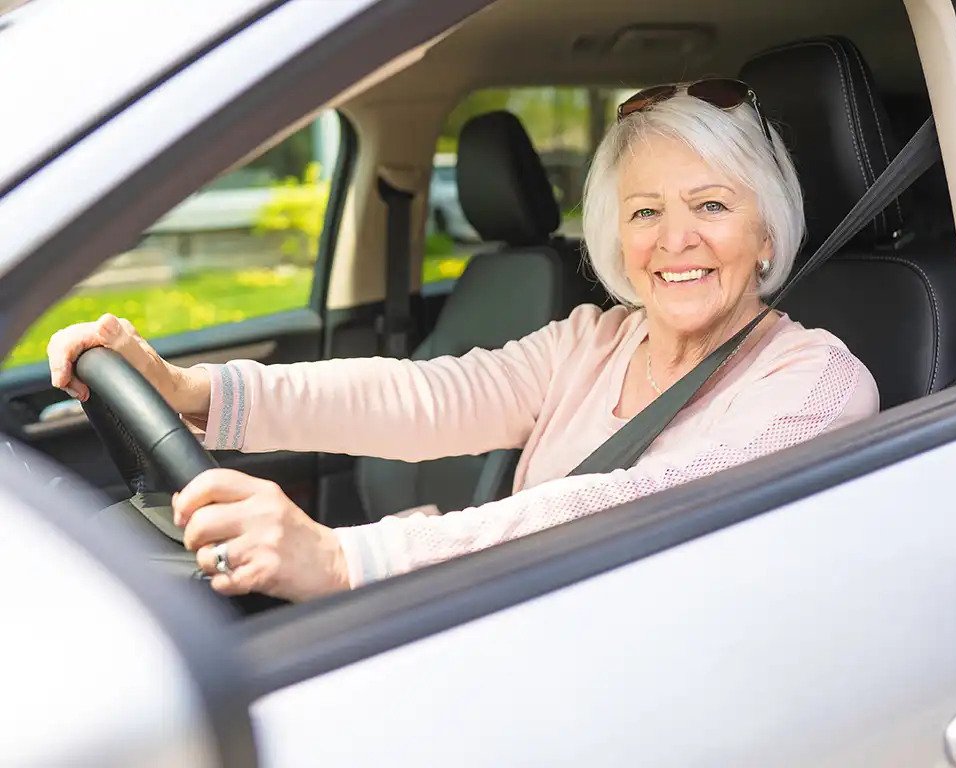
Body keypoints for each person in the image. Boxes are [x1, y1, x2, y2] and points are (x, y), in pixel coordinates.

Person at [47, 80, 879, 602]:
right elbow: (425, 396)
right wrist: (194, 392)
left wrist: (344, 559)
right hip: (526, 624)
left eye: (712, 205)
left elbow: (634, 505)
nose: (675, 240)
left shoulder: (816, 384)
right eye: (645, 211)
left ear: (767, 234)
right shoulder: (595, 340)